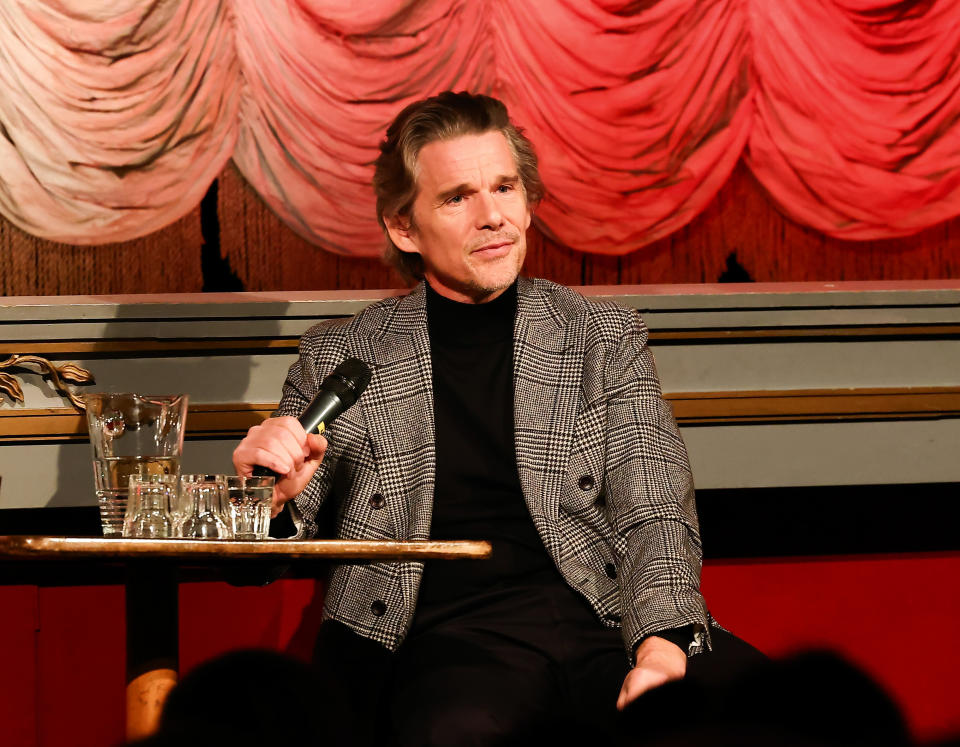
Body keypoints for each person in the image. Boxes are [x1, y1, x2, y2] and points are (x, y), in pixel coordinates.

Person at [232, 91, 758, 746]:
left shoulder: (601, 336)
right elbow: (263, 542)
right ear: (404, 227)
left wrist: (658, 653)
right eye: (457, 197)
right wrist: (268, 495)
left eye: (504, 187)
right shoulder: (343, 355)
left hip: (610, 618)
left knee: (789, 713)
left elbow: (657, 511)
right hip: (449, 643)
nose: (493, 216)